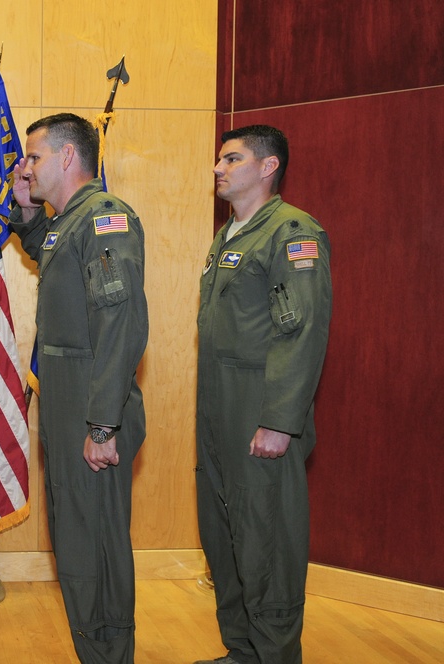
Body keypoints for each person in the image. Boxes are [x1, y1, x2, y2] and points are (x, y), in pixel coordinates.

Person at [8, 113, 149, 663]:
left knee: (97, 547)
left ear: (68, 157)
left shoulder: (106, 219)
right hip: (72, 401)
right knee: (76, 540)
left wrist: (102, 423)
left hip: (93, 405)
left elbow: (121, 326)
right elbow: (47, 245)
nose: (26, 166)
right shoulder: (71, 221)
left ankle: (109, 653)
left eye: (34, 156)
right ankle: (95, 650)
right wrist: (24, 208)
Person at [194, 125, 332, 664]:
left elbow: (301, 332)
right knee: (224, 537)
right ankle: (243, 653)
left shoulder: (292, 232)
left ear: (268, 166)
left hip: (260, 408)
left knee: (266, 543)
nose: (218, 168)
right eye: (219, 159)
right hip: (218, 409)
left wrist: (280, 420)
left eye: (232, 158)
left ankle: (274, 655)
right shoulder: (229, 235)